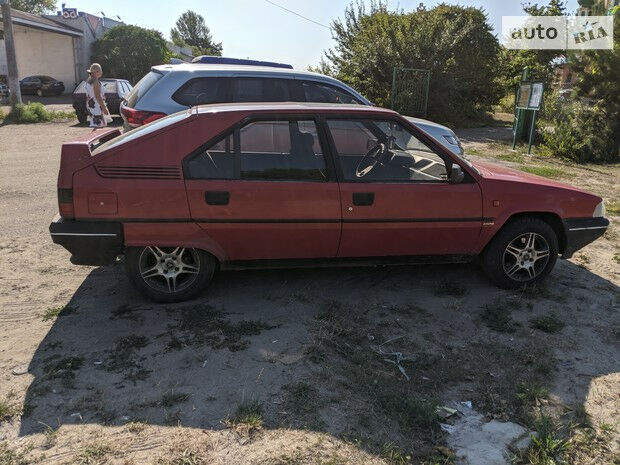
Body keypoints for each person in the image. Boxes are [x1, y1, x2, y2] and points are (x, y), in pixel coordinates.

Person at [84, 63, 111, 128]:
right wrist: (104, 108)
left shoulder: (89, 80)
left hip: (91, 105)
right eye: (100, 70)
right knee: (99, 125)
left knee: (96, 125)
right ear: (97, 72)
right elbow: (98, 96)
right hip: (96, 105)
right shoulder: (95, 81)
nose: (101, 72)